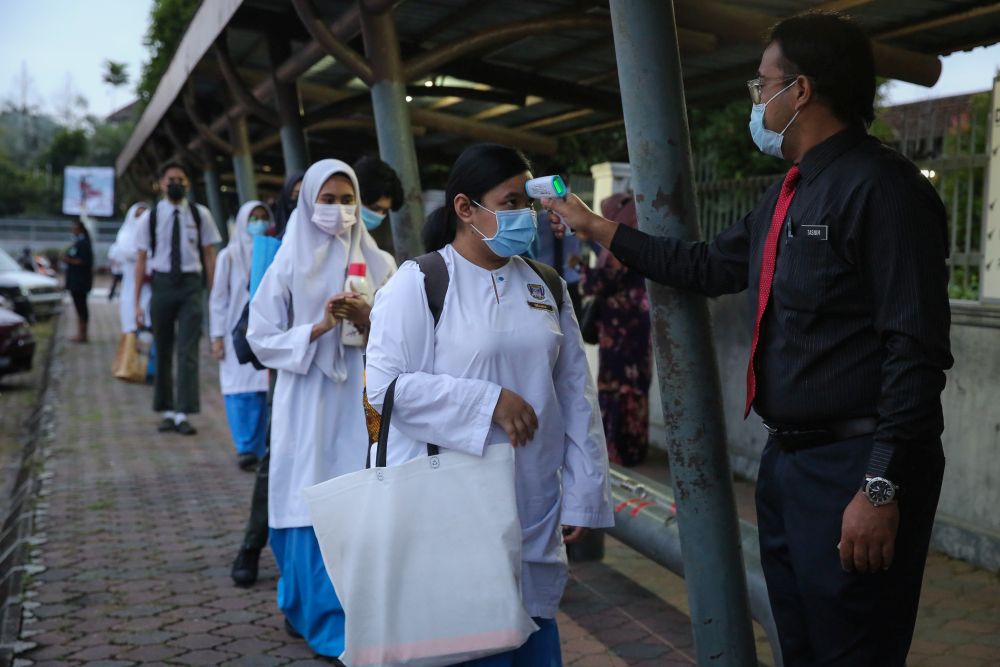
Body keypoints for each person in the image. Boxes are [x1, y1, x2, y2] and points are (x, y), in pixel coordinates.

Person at [543, 12, 952, 667]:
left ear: (802, 90)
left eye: (762, 84)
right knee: (800, 642)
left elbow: (917, 351)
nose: (756, 100)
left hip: (855, 468)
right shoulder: (788, 193)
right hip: (789, 465)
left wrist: (881, 487)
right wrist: (596, 228)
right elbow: (705, 266)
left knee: (854, 648)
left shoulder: (884, 190)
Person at [365, 143, 614, 666]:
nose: (526, 216)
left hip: (534, 497)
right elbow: (384, 388)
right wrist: (487, 401)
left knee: (533, 631)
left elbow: (575, 392)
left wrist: (585, 491)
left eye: (528, 203)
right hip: (453, 503)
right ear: (464, 208)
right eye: (510, 202)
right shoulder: (420, 283)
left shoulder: (546, 285)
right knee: (469, 638)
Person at [247, 159, 396, 658]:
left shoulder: (381, 264)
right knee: (304, 495)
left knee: (351, 499)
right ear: (307, 200)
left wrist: (368, 318)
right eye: (327, 200)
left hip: (357, 400)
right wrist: (319, 327)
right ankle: (307, 608)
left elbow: (403, 338)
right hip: (306, 398)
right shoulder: (287, 262)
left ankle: (335, 617)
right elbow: (259, 337)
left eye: (346, 199)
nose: (338, 211)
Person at [230, 170, 302, 588]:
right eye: (296, 197)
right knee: (276, 456)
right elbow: (259, 319)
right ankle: (252, 544)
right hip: (291, 365)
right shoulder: (275, 249)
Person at [134, 162, 220, 436]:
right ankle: (166, 410)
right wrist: (136, 301)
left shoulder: (199, 214)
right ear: (161, 183)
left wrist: (214, 291)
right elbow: (140, 259)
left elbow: (209, 254)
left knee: (188, 350)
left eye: (181, 179)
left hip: (190, 285)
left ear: (188, 184)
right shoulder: (150, 217)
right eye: (171, 179)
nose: (176, 183)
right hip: (161, 284)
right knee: (162, 347)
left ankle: (184, 412)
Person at [578, 193, 652, 467]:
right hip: (634, 322)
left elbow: (603, 281)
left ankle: (621, 448)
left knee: (619, 386)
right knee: (632, 385)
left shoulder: (621, 243)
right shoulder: (639, 239)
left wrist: (582, 269)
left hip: (622, 327)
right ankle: (630, 446)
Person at [208, 201, 272, 471]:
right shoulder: (229, 256)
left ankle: (258, 449)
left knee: (260, 392)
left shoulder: (271, 252)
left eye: (262, 218)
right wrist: (217, 336)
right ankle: (244, 448)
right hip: (235, 334)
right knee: (238, 392)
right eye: (252, 218)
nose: (258, 223)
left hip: (263, 331)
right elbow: (218, 299)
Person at [107, 203, 151, 335]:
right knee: (130, 307)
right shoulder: (125, 234)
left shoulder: (153, 233)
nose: (141, 218)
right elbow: (128, 252)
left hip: (148, 281)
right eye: (138, 215)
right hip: (131, 278)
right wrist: (143, 255)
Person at [62, 219, 94, 343]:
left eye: (74, 228)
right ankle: (80, 332)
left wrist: (68, 260)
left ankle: (83, 334)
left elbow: (83, 260)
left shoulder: (83, 243)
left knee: (81, 308)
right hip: (76, 280)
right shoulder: (78, 242)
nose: (72, 230)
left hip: (80, 281)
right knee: (79, 307)